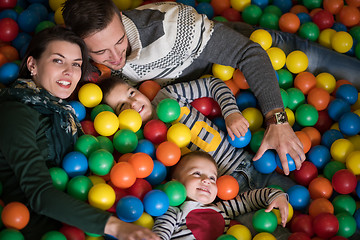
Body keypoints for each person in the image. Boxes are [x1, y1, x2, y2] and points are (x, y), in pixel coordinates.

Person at [61, 0, 306, 175]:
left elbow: (250, 54)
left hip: (236, 53)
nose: (116, 57)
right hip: (187, 101)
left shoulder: (172, 29)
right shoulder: (84, 61)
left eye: (119, 41)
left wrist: (278, 119)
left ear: (121, 20)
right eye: (101, 52)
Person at [0, 26, 159, 240]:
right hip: (40, 229)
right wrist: (116, 227)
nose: (69, 71)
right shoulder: (15, 111)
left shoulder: (63, 112)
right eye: (58, 60)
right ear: (32, 65)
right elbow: (40, 195)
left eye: (76, 64)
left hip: (83, 220)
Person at [152, 151, 289, 240]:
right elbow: (160, 233)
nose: (206, 180)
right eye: (197, 173)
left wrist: (275, 195)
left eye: (212, 178)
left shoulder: (222, 209)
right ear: (176, 183)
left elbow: (248, 200)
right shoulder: (173, 211)